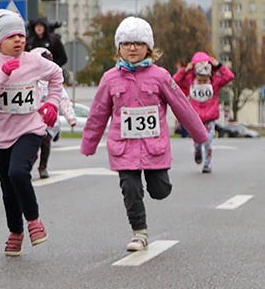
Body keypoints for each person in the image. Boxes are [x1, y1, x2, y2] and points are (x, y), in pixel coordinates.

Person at [81, 16, 208, 252]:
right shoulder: (109, 79)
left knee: (159, 190)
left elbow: (181, 105)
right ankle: (139, 233)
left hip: (154, 148)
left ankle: (161, 188)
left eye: (138, 43)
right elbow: (98, 113)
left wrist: (200, 135)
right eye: (127, 43)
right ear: (118, 48)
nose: (132, 48)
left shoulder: (160, 76)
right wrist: (89, 144)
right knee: (130, 188)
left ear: (148, 48)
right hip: (123, 148)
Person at [0, 10, 64, 257]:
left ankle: (34, 221)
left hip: (30, 128)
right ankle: (15, 231)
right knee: (7, 186)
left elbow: (56, 75)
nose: (19, 41)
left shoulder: (33, 61)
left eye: (22, 35)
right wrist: (2, 75)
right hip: (0, 135)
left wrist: (52, 103)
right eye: (12, 36)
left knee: (18, 171)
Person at [173, 51, 234, 174]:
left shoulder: (215, 83)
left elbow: (229, 76)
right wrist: (185, 70)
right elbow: (174, 80)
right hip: (195, 118)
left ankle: (207, 163)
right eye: (199, 80)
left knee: (208, 140)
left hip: (210, 117)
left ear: (210, 76)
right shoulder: (190, 81)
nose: (202, 83)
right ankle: (197, 149)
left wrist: (219, 65)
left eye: (204, 80)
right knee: (198, 140)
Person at [30, 47, 77, 179]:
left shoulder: (55, 81)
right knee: (31, 147)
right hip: (31, 122)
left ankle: (43, 166)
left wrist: (71, 118)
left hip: (49, 122)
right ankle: (26, 167)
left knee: (45, 144)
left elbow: (64, 100)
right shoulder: (30, 81)